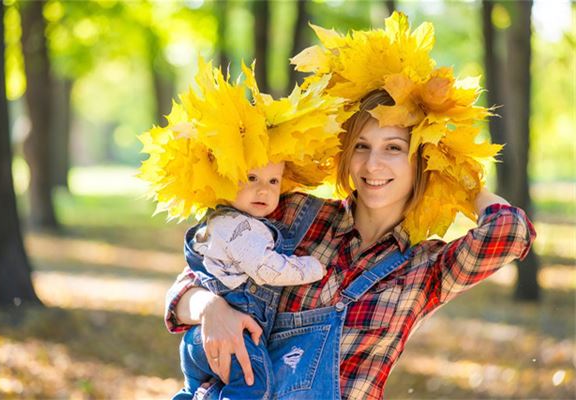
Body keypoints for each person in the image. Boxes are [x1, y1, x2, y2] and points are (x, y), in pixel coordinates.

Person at [164, 12, 536, 399]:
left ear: (421, 158)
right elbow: (194, 278)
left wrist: (456, 174)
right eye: (362, 146)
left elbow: (509, 233)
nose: (373, 165)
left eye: (394, 148)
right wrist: (209, 308)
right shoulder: (293, 216)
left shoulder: (426, 271)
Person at [139, 59, 345, 399]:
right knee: (254, 386)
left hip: (200, 342)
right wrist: (311, 267)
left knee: (193, 391)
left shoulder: (225, 221)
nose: (264, 190)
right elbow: (268, 268)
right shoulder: (237, 228)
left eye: (273, 181)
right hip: (227, 333)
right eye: (250, 178)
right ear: (225, 176)